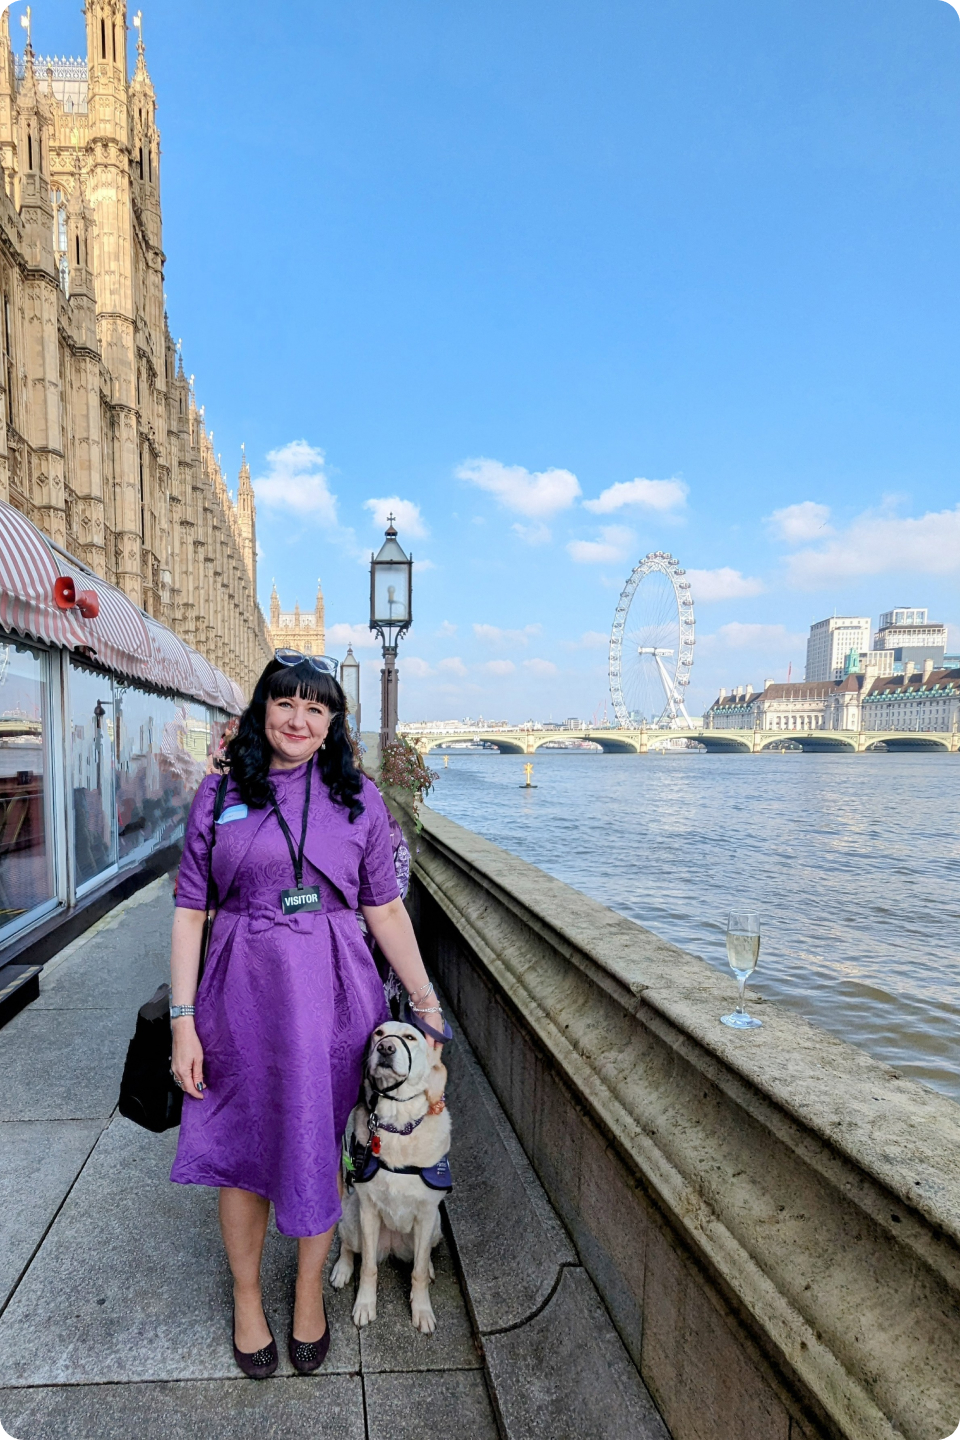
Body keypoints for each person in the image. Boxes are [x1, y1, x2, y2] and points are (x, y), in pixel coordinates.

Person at [168, 651, 445, 1378]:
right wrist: (181, 1019)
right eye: (286, 703)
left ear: (332, 724)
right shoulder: (221, 791)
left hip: (332, 997)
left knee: (321, 1146)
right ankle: (247, 1297)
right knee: (240, 1149)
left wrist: (424, 1000)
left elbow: (383, 909)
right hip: (237, 994)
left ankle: (307, 1295)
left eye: (316, 709)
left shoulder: (358, 800)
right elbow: (190, 910)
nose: (299, 719)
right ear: (264, 709)